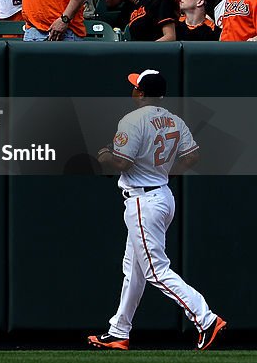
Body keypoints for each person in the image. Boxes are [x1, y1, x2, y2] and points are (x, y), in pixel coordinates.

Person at [90, 69, 227, 351]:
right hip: (161, 196)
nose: (132, 90)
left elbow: (122, 164)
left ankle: (206, 318)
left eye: (135, 87)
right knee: (134, 269)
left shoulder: (132, 119)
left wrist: (103, 155)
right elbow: (193, 157)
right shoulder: (175, 120)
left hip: (143, 202)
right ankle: (119, 331)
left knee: (154, 270)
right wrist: (162, 175)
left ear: (140, 93)